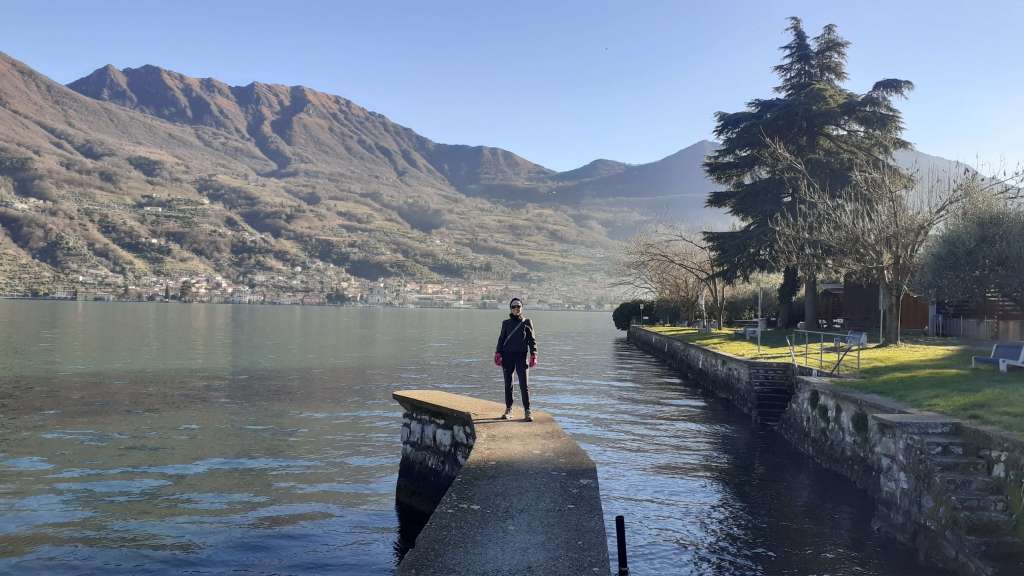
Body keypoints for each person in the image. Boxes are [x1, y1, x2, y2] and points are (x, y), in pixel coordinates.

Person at [493, 298, 538, 421]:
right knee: (508, 384)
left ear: (522, 308)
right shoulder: (506, 323)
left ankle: (527, 411)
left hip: (521, 357)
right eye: (514, 307)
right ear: (510, 309)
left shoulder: (527, 322)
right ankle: (508, 409)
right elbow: (501, 339)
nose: (516, 308)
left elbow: (532, 340)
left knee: (524, 385)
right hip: (507, 357)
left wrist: (534, 354)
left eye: (518, 306)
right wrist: (498, 353)